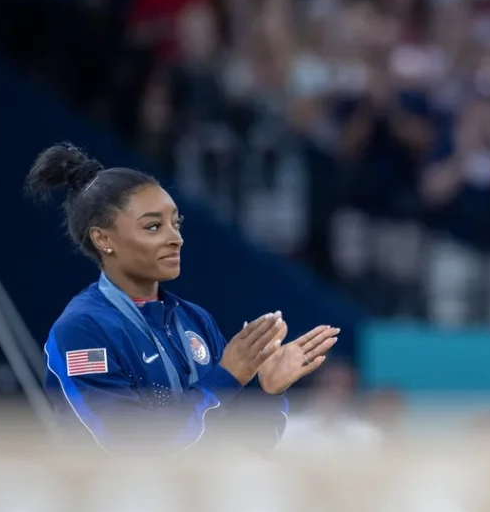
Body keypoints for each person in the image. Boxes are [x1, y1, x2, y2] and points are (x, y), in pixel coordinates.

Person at [27, 143, 338, 453]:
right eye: (153, 226)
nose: (175, 238)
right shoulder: (83, 331)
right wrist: (226, 377)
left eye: (176, 224)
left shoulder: (195, 320)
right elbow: (131, 445)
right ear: (103, 238)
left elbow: (250, 445)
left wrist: (266, 391)